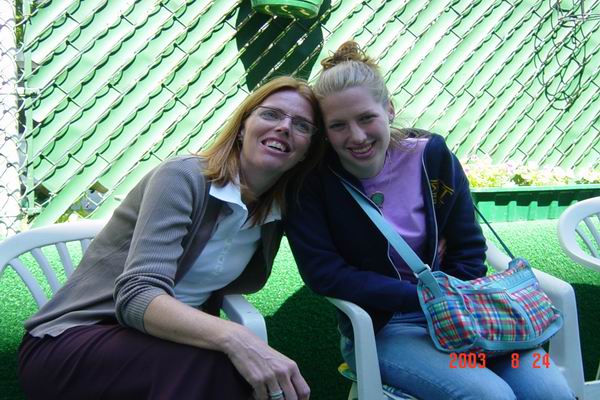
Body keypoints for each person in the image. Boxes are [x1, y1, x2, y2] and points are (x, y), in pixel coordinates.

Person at [284, 41, 574, 400]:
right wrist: (424, 299)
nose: (356, 136)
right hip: (385, 328)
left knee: (551, 392)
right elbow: (325, 273)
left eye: (366, 118)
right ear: (325, 132)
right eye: (338, 125)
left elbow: (469, 249)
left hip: (467, 313)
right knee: (491, 396)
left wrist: (449, 303)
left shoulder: (432, 156)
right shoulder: (311, 182)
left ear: (389, 109)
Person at [18, 76, 325, 400]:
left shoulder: (280, 211)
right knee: (215, 367)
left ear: (307, 150)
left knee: (233, 374)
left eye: (302, 125)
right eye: (271, 114)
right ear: (242, 127)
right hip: (74, 343)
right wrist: (237, 337)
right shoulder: (183, 177)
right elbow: (136, 297)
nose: (284, 127)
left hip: (167, 350)